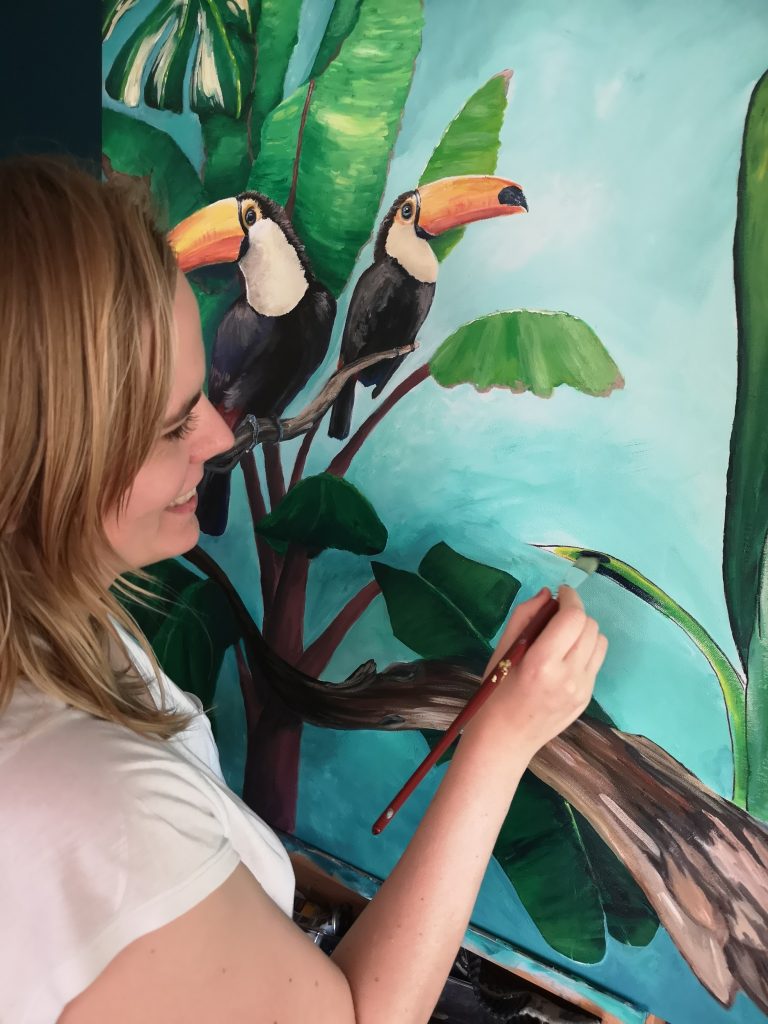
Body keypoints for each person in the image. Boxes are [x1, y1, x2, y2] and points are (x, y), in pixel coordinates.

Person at [0, 156, 608, 1024]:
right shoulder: (93, 810)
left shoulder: (67, 627)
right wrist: (503, 738)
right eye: (172, 426)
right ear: (43, 466)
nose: (217, 437)